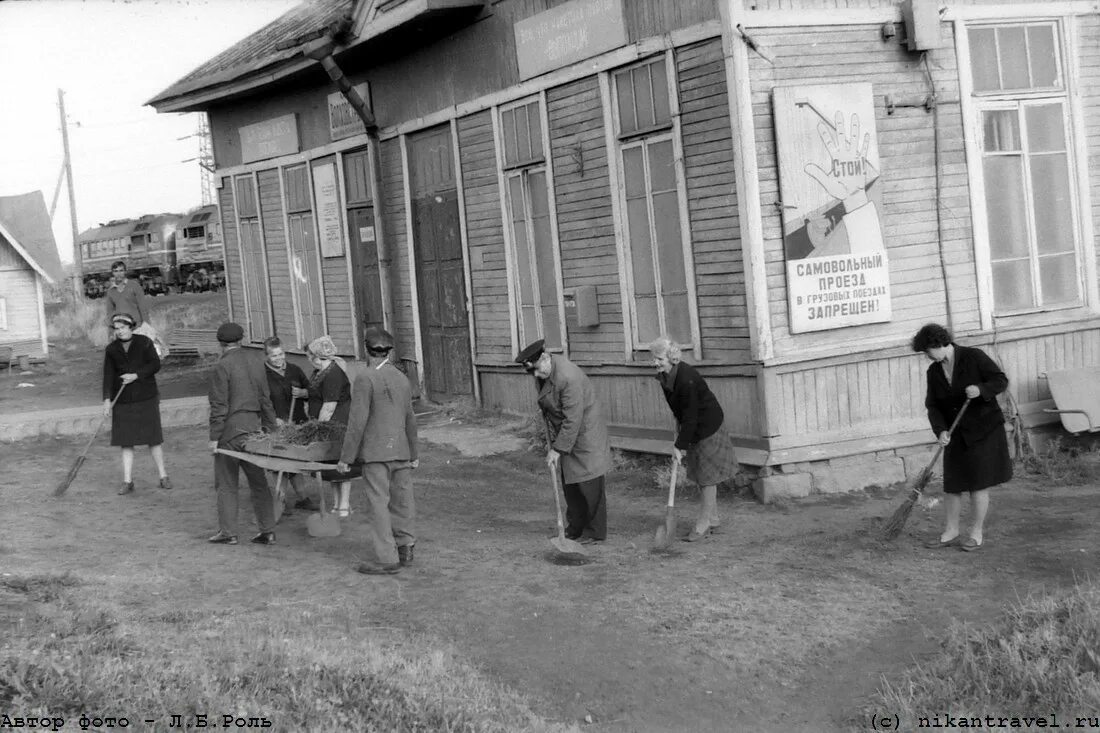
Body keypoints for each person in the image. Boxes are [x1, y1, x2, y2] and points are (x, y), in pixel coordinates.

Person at [912, 323, 1012, 552]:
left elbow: (1000, 380)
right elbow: (933, 406)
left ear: (938, 344)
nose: (927, 357)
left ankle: (976, 534)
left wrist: (980, 389)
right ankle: (951, 531)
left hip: (983, 429)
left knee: (977, 484)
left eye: (927, 351)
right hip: (954, 433)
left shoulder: (973, 356)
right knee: (953, 484)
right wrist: (941, 431)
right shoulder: (934, 372)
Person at [337, 326, 419, 575]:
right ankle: (406, 548)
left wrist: (345, 458)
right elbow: (410, 418)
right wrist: (414, 453)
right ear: (389, 352)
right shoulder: (402, 377)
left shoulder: (365, 377)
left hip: (375, 454)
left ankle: (387, 558)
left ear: (367, 349)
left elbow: (357, 422)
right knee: (403, 501)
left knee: (379, 504)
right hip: (401, 451)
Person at [515, 339, 611, 543]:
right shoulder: (544, 370)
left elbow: (573, 419)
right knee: (571, 482)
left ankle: (594, 532)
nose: (536, 375)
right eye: (532, 372)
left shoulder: (568, 377)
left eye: (537, 370)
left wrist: (557, 450)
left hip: (585, 432)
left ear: (544, 357)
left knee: (588, 480)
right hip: (567, 432)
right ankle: (575, 528)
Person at [649, 336, 739, 542]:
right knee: (700, 473)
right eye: (653, 358)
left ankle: (704, 522)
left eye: (659, 358)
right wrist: (677, 430)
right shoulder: (665, 375)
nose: (655, 362)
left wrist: (680, 445)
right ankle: (713, 518)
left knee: (707, 477)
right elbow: (679, 409)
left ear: (672, 358)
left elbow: (692, 415)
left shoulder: (686, 379)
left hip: (708, 426)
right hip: (692, 424)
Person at [208, 322, 278, 546]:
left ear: (220, 343)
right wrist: (271, 430)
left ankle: (228, 532)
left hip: (230, 430)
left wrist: (214, 437)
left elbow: (219, 405)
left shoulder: (222, 366)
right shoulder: (257, 362)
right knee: (259, 482)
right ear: (241, 339)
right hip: (254, 429)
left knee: (227, 482)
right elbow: (265, 399)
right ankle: (268, 530)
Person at [102, 313, 170, 494]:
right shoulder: (111, 349)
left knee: (154, 439)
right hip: (123, 400)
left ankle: (163, 476)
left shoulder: (144, 342)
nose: (119, 332)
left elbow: (155, 365)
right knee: (126, 441)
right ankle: (127, 481)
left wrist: (136, 375)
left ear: (131, 327)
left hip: (146, 397)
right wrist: (107, 399)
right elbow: (108, 375)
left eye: (123, 328)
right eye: (116, 329)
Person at [262, 336, 312, 514]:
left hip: (297, 423)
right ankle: (280, 502)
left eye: (281, 354)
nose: (279, 358)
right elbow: (261, 402)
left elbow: (312, 392)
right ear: (267, 356)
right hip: (276, 427)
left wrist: (302, 392)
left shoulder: (294, 370)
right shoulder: (262, 375)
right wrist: (274, 419)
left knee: (294, 462)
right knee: (279, 465)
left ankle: (303, 498)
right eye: (274, 356)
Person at [305, 335, 354, 516]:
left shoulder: (333, 374)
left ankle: (344, 505)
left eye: (311, 357)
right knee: (331, 466)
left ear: (317, 356)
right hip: (330, 424)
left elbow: (329, 406)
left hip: (337, 424)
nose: (310, 361)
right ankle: (336, 504)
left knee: (341, 462)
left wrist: (317, 428)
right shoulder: (321, 372)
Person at [104, 261, 148, 328]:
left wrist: (146, 325)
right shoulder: (110, 291)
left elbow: (143, 307)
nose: (118, 274)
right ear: (112, 273)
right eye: (116, 271)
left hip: (137, 325)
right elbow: (110, 312)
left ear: (125, 271)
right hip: (121, 327)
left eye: (121, 271)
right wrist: (111, 329)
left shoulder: (134, 286)